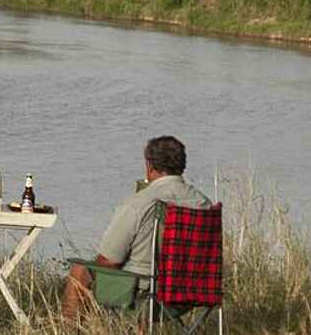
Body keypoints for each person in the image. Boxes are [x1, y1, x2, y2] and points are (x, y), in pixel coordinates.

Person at [62, 135, 210, 322]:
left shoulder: (141, 202)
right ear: (182, 166)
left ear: (149, 166)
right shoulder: (204, 203)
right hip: (196, 294)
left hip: (149, 297)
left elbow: (108, 261)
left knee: (80, 271)